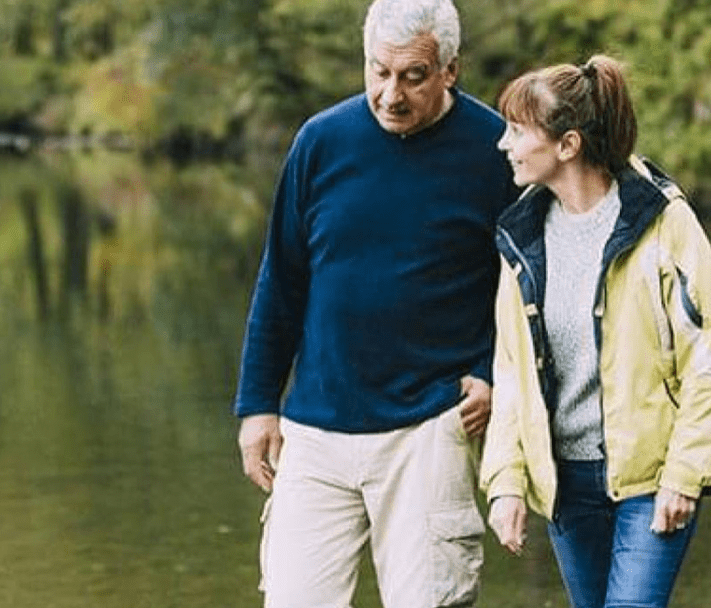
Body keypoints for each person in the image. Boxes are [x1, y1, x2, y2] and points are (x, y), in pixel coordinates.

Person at [231, 0, 519, 606]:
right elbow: (281, 279)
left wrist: (495, 373)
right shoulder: (321, 141)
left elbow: (528, 287)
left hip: (430, 425)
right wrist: (259, 403)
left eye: (412, 76)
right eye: (378, 71)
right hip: (315, 428)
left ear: (450, 70)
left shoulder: (496, 151)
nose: (390, 94)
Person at [481, 55, 711, 608]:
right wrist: (506, 481)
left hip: (651, 478)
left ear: (567, 146)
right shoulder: (523, 239)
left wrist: (685, 472)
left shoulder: (661, 220)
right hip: (567, 485)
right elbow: (511, 372)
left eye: (518, 131)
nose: (504, 144)